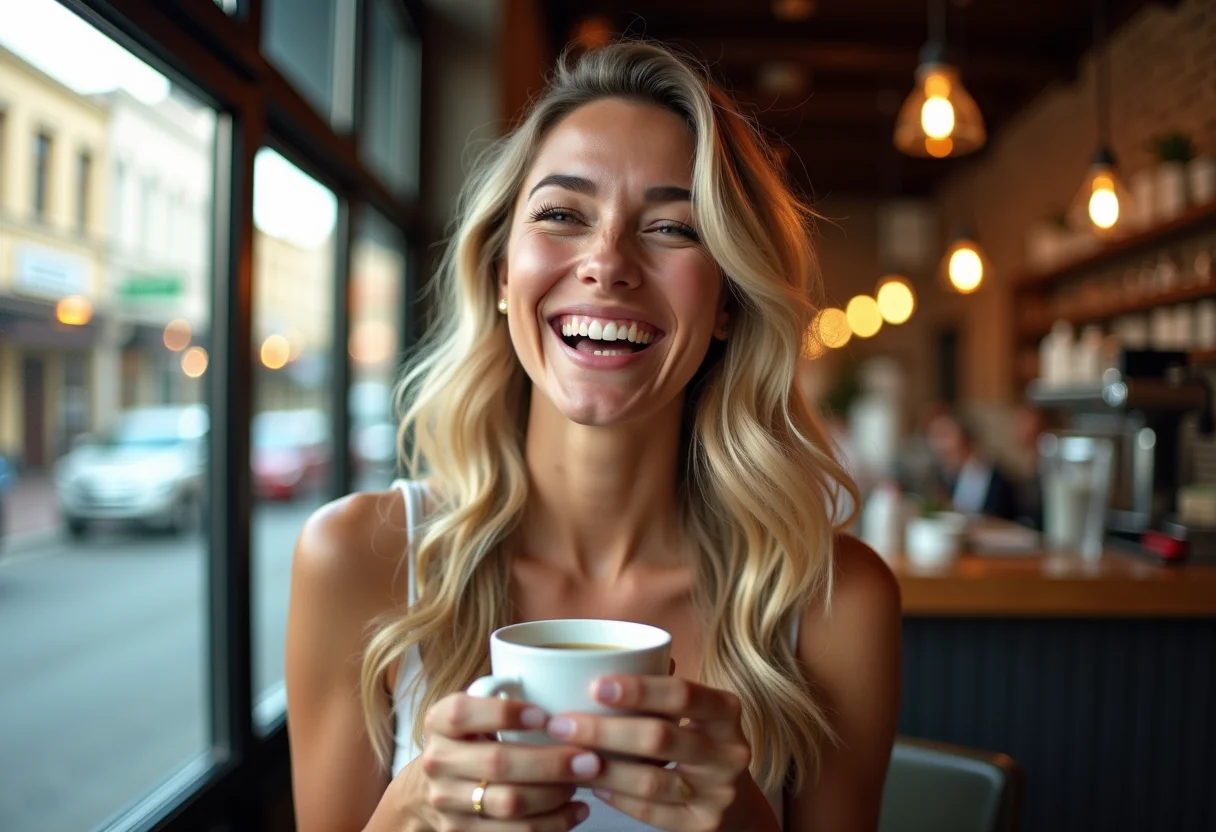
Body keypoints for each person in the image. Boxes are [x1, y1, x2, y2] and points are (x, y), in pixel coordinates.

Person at [286, 40, 902, 832]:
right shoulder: (356, 560)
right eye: (562, 215)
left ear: (727, 303)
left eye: (673, 227)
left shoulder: (835, 602)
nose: (608, 263)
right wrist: (408, 813)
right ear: (501, 273)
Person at [924, 409, 1019, 521]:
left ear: (967, 440)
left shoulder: (995, 480)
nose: (938, 446)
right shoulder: (948, 479)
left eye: (944, 436)